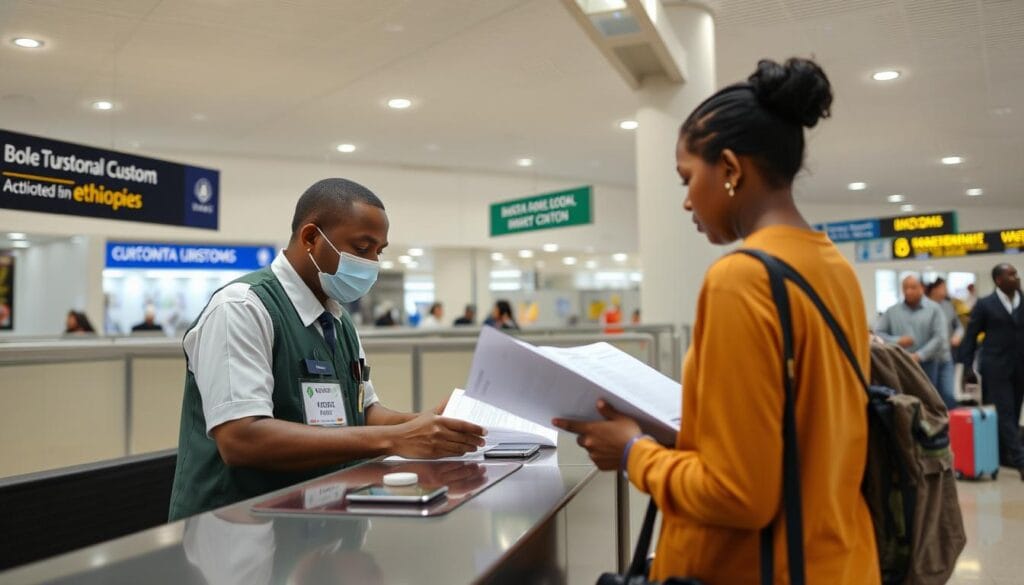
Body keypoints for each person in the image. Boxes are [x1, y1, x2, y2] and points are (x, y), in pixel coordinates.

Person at [553, 58, 879, 582]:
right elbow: (797, 436)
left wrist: (633, 451)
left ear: (729, 168)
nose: (686, 201)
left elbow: (739, 494)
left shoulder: (742, 279)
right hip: (836, 558)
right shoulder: (832, 266)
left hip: (763, 567)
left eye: (688, 178)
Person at [168, 178, 486, 521]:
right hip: (235, 529)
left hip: (315, 519)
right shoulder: (241, 308)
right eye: (362, 248)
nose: (372, 263)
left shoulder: (338, 320)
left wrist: (427, 424)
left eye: (379, 252)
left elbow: (364, 412)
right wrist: (395, 438)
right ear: (311, 238)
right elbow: (241, 438)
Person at [958, 263, 1024, 478]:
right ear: (999, 280)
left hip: (1019, 366)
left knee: (1014, 410)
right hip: (995, 367)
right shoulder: (986, 304)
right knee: (1005, 411)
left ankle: (1004, 456)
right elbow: (970, 336)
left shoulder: (1022, 300)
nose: (1016, 277)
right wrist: (967, 367)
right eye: (1011, 275)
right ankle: (1020, 460)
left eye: (1016, 274)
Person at [874, 275, 951, 400]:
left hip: (928, 363)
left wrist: (919, 356)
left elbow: (939, 337)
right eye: (905, 288)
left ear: (921, 288)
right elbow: (877, 334)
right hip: (901, 364)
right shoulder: (892, 311)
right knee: (906, 400)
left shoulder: (934, 309)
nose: (908, 291)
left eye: (913, 287)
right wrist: (897, 341)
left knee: (930, 399)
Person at [925, 278, 964, 409]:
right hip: (929, 357)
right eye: (943, 288)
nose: (945, 291)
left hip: (946, 355)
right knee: (931, 394)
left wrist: (957, 335)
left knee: (948, 393)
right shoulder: (924, 306)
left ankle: (951, 419)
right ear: (934, 289)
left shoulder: (948, 306)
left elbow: (959, 326)